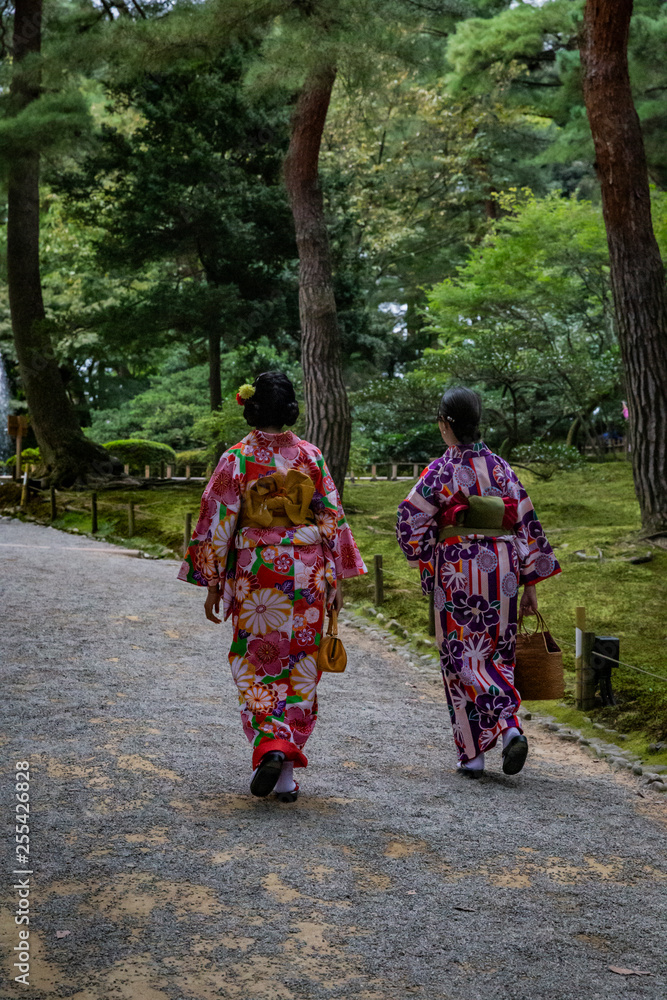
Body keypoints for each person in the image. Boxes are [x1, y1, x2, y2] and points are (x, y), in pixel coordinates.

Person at [178, 372, 366, 801]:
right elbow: (330, 517)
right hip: (307, 568)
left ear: (251, 408)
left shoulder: (237, 458)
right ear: (291, 412)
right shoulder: (311, 456)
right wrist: (335, 578)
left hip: (256, 569)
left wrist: (212, 582)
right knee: (301, 660)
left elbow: (218, 518)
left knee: (256, 657)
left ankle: (270, 745)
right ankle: (285, 775)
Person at [396, 387, 561, 778]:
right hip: (502, 570)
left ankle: (496, 734)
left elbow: (409, 522)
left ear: (444, 425)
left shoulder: (440, 471)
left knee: (460, 656)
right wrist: (530, 585)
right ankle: (486, 745)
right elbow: (525, 525)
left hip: (456, 569)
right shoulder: (502, 468)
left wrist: (430, 552)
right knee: (497, 652)